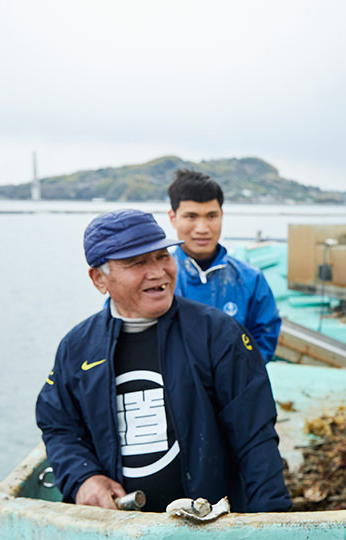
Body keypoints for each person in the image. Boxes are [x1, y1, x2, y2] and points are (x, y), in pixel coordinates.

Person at [36, 208, 291, 513]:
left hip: (209, 525)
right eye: (137, 262)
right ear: (99, 279)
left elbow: (255, 438)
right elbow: (58, 424)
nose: (158, 272)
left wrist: (271, 519)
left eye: (162, 256)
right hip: (118, 528)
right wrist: (83, 477)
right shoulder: (77, 348)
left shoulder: (218, 333)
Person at [167, 169, 282, 363]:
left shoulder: (250, 279)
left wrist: (234, 377)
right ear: (173, 218)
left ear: (221, 215)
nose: (202, 229)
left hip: (232, 389)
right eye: (191, 217)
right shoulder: (154, 278)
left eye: (211, 216)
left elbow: (265, 338)